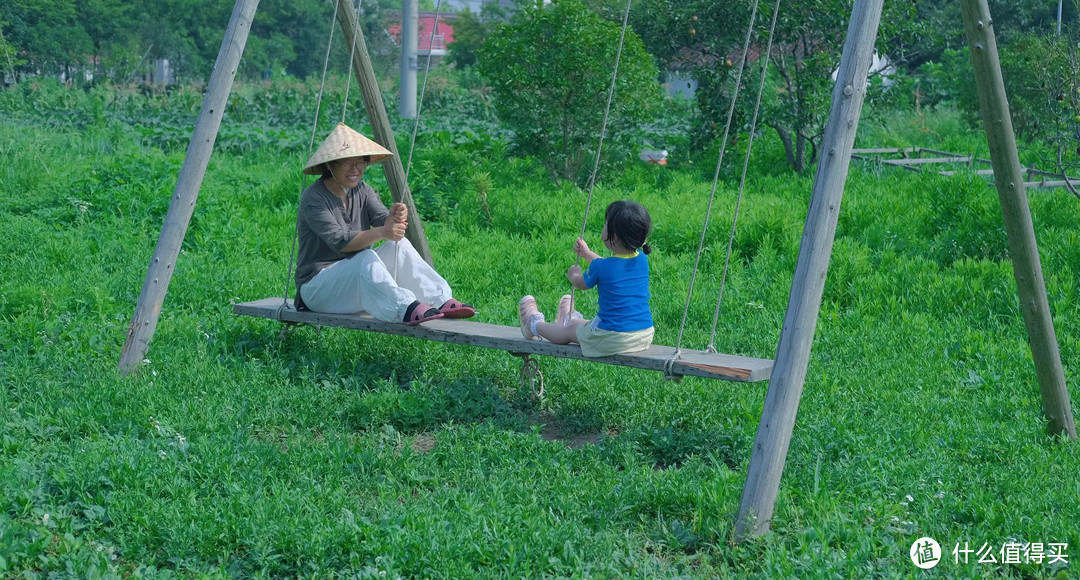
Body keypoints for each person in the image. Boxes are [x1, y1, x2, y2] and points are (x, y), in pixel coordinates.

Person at [294, 123, 474, 325]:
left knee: (399, 245)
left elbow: (383, 220)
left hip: (356, 281)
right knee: (366, 256)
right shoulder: (313, 198)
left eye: (360, 162)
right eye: (347, 163)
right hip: (318, 289)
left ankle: (439, 299)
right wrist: (383, 230)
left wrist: (395, 216)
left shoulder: (362, 189)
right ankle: (403, 307)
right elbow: (341, 242)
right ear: (331, 165)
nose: (356, 169)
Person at [518, 200, 654, 357]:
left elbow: (582, 283)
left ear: (614, 237)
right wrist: (587, 253)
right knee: (580, 325)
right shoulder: (642, 259)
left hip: (612, 339)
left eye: (605, 225)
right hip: (644, 335)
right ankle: (570, 319)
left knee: (569, 332)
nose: (603, 228)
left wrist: (573, 275)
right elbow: (608, 267)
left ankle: (534, 325)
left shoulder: (602, 268)